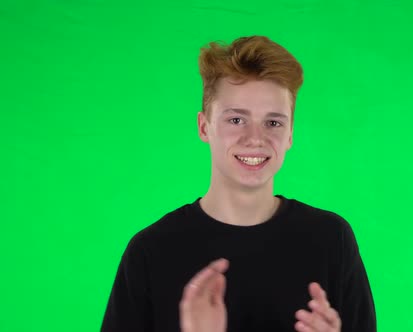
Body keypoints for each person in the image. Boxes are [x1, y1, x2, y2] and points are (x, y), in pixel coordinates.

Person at [101, 35, 376, 332]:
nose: (255, 138)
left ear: (290, 135)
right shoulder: (150, 252)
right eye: (236, 120)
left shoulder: (332, 240)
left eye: (273, 122)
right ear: (204, 126)